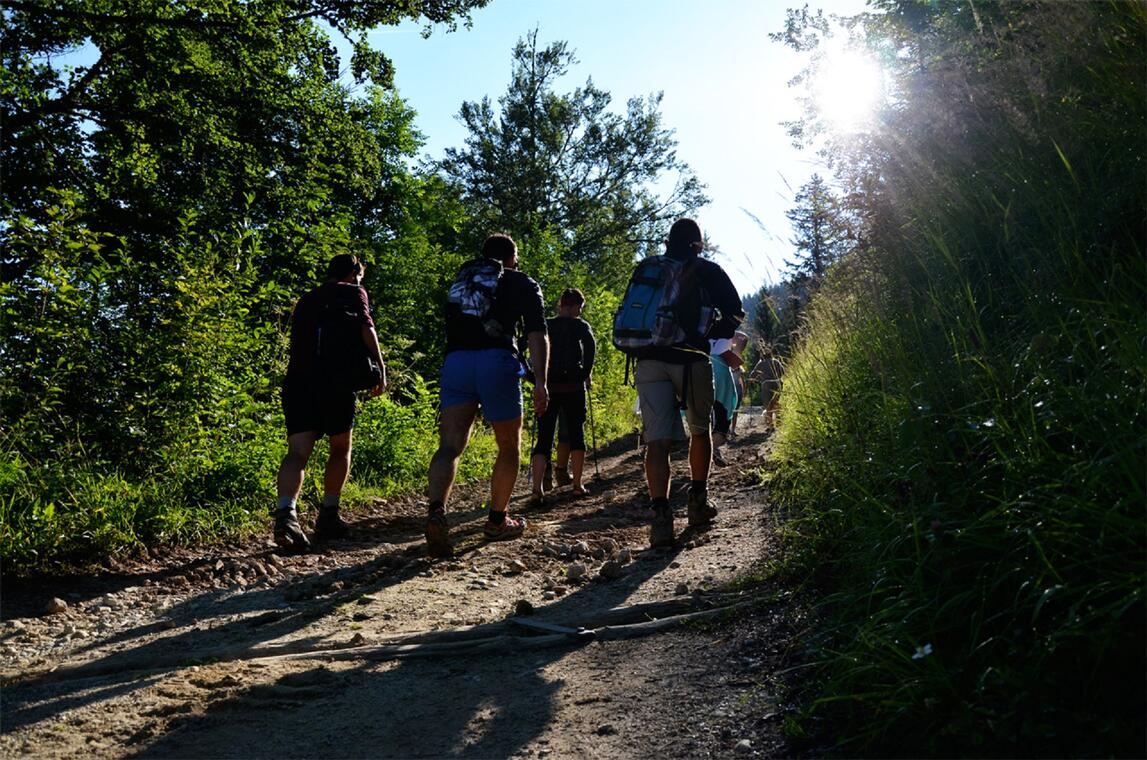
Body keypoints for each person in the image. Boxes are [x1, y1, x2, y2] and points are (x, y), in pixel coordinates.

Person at [425, 233, 548, 558]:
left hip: (457, 362)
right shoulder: (522, 283)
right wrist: (541, 381)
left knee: (450, 446)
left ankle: (436, 511)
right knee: (509, 445)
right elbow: (537, 334)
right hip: (496, 362)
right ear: (511, 256)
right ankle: (497, 520)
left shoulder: (462, 282)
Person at [631, 218, 744, 548]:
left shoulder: (648, 267)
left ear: (668, 241)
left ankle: (660, 519)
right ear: (698, 244)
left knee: (657, 440)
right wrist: (707, 336)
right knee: (700, 430)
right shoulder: (707, 269)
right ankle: (697, 505)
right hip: (691, 358)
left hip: (649, 359)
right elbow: (735, 314)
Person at [274, 253, 387, 552]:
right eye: (360, 277)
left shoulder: (307, 299)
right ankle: (329, 514)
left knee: (298, 452)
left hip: (298, 382)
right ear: (353, 273)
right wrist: (381, 369)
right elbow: (367, 328)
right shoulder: (353, 291)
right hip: (336, 383)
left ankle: (286, 515)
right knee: (340, 447)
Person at [529, 288, 596, 503]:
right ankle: (577, 485)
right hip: (573, 388)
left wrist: (533, 378)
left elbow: (524, 344)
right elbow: (591, 350)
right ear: (576, 306)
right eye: (580, 308)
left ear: (560, 305)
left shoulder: (546, 325)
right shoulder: (581, 326)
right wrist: (584, 374)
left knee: (543, 439)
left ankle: (537, 489)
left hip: (549, 387)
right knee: (577, 435)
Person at [710, 332, 745, 466]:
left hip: (701, 367)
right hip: (721, 368)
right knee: (723, 409)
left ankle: (707, 449)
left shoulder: (699, 325)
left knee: (703, 411)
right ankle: (714, 447)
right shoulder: (724, 328)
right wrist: (735, 354)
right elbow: (742, 338)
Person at [750, 345, 784, 428]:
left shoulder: (761, 363)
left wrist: (754, 382)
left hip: (766, 384)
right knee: (776, 402)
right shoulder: (776, 362)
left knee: (768, 404)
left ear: (762, 355)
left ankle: (770, 424)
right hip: (778, 383)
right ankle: (778, 421)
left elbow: (752, 375)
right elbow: (783, 372)